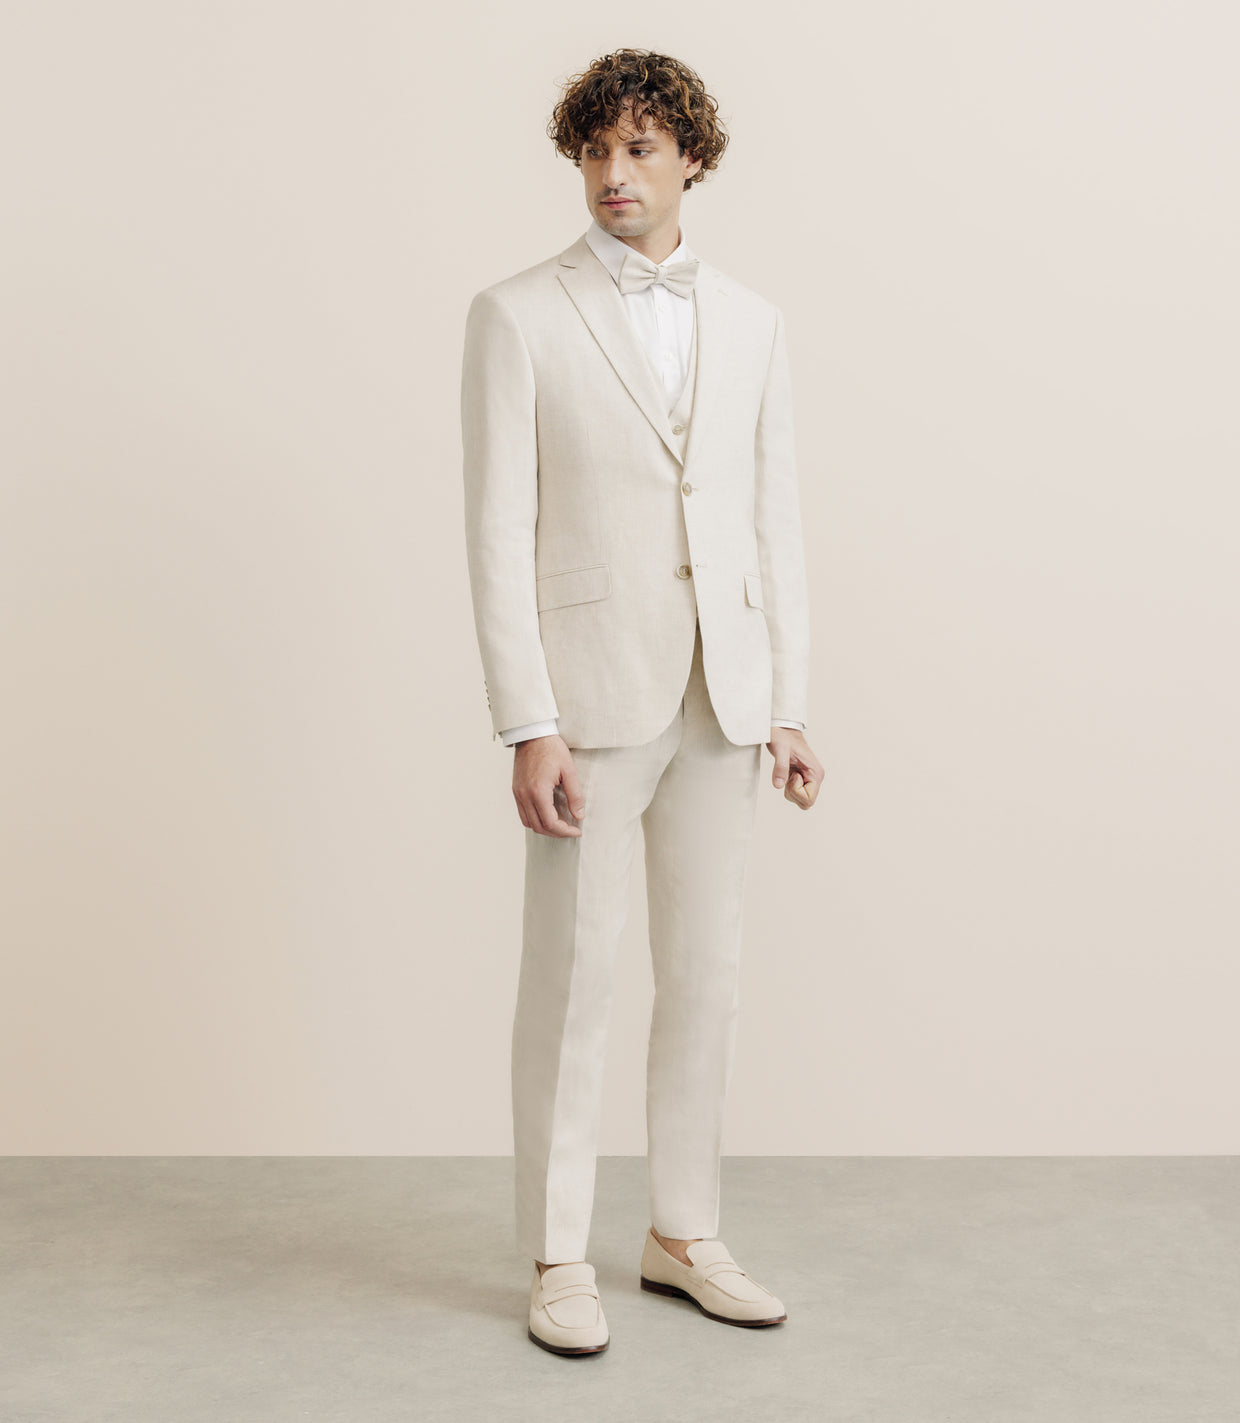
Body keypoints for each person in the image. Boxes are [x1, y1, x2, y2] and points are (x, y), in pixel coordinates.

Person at [460, 46, 822, 1356]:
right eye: (595, 151)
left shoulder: (755, 321)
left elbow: (773, 520)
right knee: (572, 983)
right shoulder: (517, 315)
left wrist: (788, 701)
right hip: (591, 701)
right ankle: (559, 1253)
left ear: (691, 160)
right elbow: (496, 532)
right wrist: (528, 721)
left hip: (725, 696)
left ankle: (683, 1232)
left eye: (639, 149)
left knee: (706, 978)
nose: (613, 174)